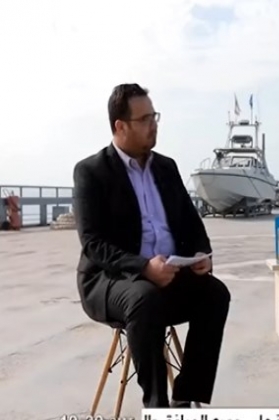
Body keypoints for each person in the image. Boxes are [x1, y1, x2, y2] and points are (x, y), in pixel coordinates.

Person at [72, 83, 231, 408]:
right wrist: (144, 267)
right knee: (145, 300)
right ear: (120, 126)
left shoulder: (166, 167)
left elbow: (192, 225)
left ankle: (185, 398)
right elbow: (93, 244)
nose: (153, 124)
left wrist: (201, 254)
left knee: (215, 294)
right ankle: (157, 407)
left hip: (169, 274)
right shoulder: (91, 172)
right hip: (111, 280)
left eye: (154, 116)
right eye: (144, 119)